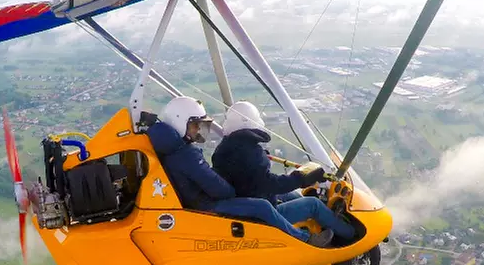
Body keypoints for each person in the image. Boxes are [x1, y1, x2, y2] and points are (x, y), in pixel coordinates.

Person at [146, 96, 334, 247]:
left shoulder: (172, 148)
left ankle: (311, 222)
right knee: (262, 206)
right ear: (180, 122)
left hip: (197, 199)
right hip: (203, 205)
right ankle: (305, 239)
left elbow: (203, 177)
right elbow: (220, 190)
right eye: (195, 125)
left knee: (272, 199)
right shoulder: (185, 154)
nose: (198, 130)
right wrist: (234, 192)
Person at [213, 101, 356, 242]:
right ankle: (352, 236)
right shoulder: (249, 152)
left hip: (247, 198)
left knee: (291, 195)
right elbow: (270, 184)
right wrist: (301, 178)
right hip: (259, 211)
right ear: (249, 122)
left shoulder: (226, 148)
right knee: (314, 204)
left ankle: (324, 224)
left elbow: (252, 176)